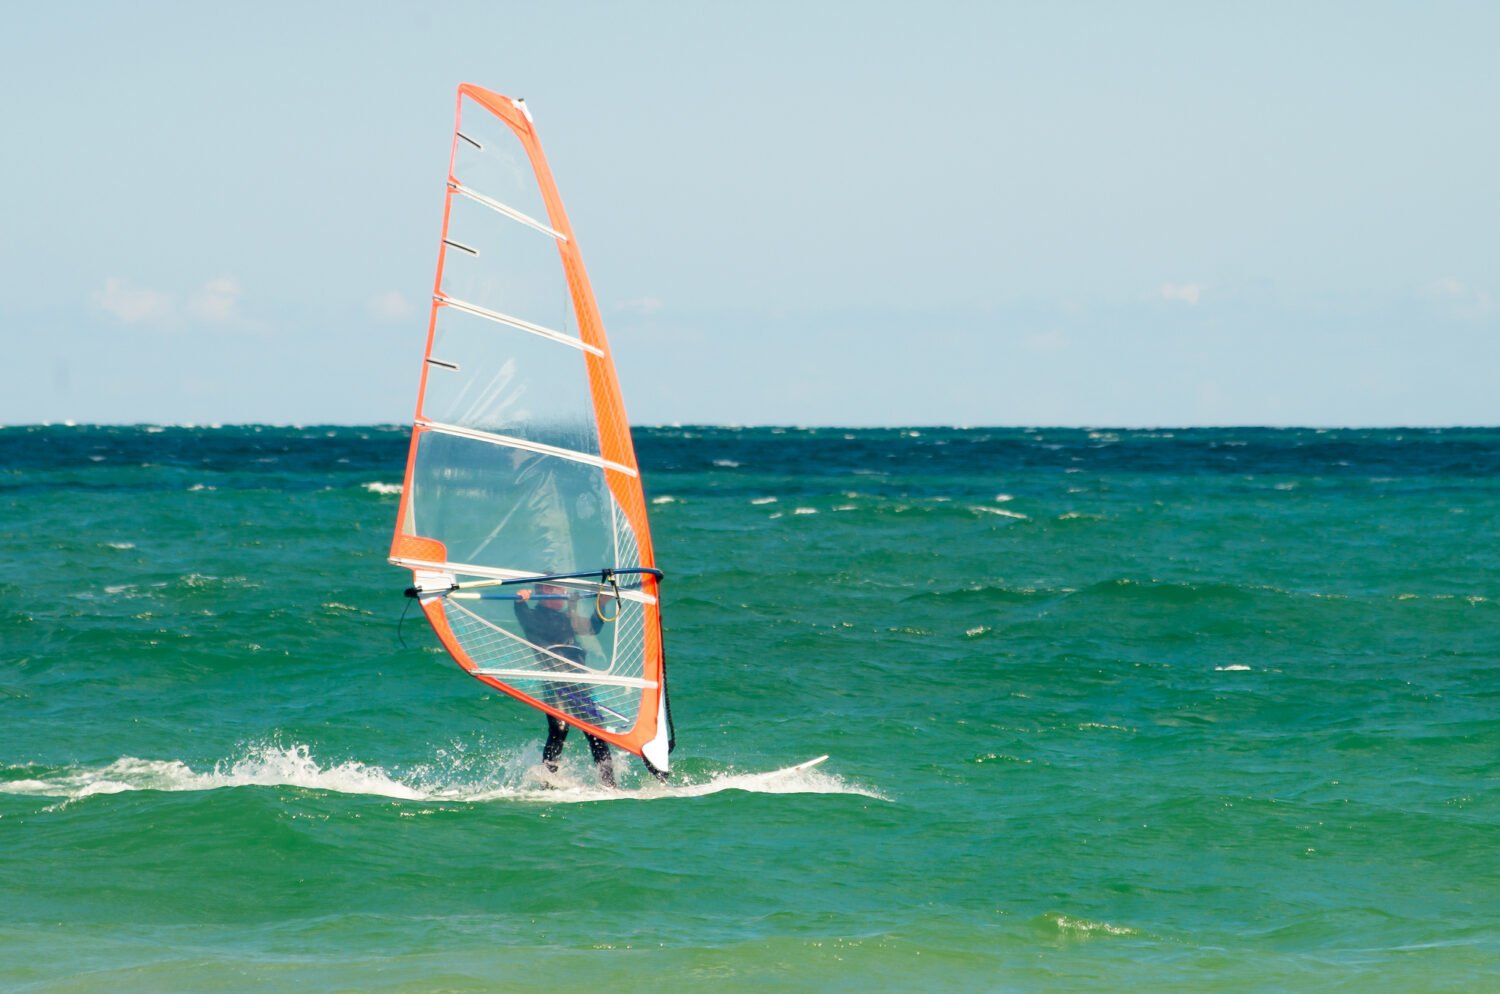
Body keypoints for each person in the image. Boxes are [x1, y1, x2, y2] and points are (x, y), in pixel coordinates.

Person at [514, 582, 616, 787]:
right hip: (554, 680)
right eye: (555, 590)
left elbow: (591, 628)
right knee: (559, 730)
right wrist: (520, 602)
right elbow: (525, 619)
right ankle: (549, 784)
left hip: (579, 680)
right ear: (542, 592)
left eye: (561, 589)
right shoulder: (535, 616)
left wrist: (601, 604)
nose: (561, 593)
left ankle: (609, 784)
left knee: (596, 731)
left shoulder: (567, 617)